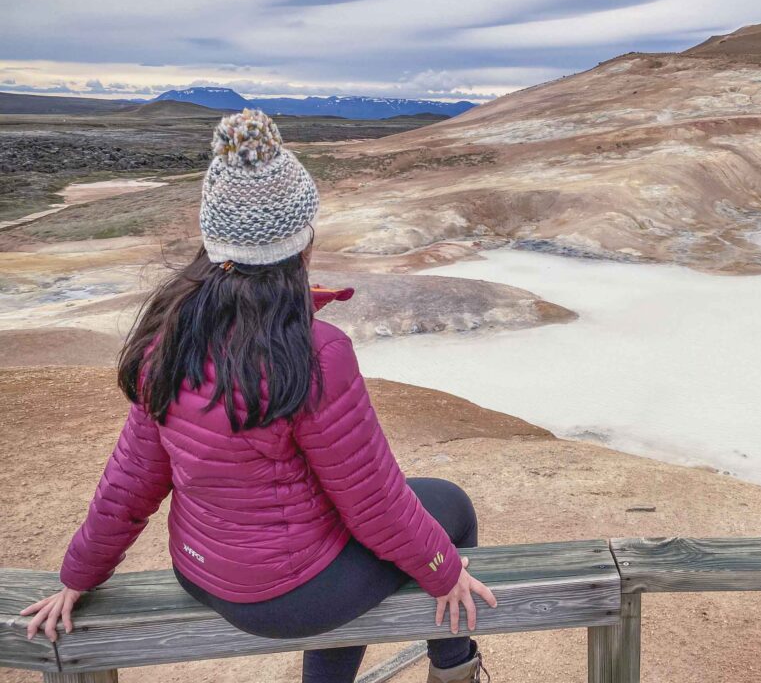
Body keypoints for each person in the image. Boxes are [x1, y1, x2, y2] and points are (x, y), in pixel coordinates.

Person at [19, 108, 497, 683]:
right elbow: (374, 502)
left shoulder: (169, 334)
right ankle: (456, 667)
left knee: (353, 536)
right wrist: (444, 573)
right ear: (300, 242)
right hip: (288, 596)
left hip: (198, 571)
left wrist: (78, 576)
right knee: (450, 507)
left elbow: (131, 480)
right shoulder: (317, 351)